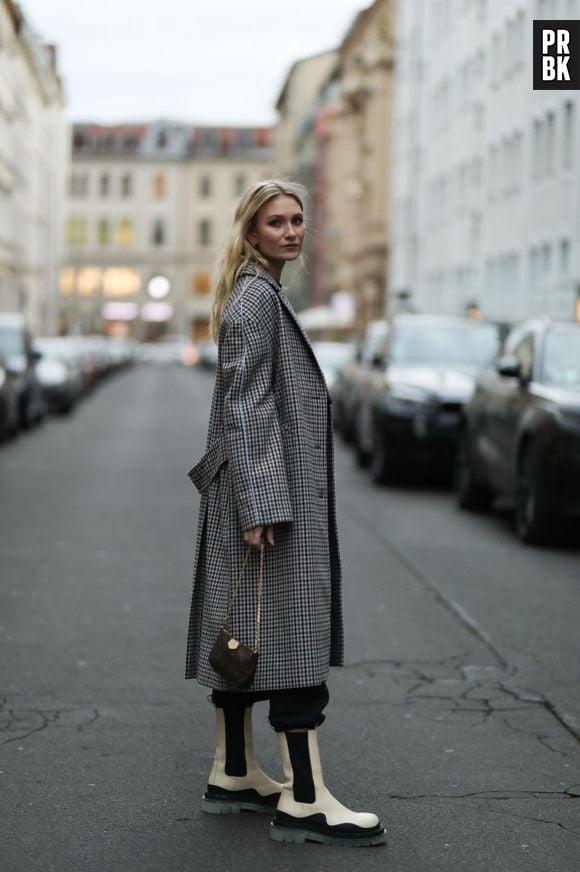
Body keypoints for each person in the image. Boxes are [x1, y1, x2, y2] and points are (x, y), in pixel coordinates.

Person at [185, 179, 386, 848]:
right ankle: (305, 800)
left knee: (249, 627)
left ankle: (235, 770)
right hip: (266, 501)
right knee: (292, 639)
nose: (292, 231)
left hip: (255, 492)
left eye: (298, 219)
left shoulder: (262, 294)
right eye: (277, 222)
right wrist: (263, 502)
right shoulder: (253, 300)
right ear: (251, 233)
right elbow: (247, 405)